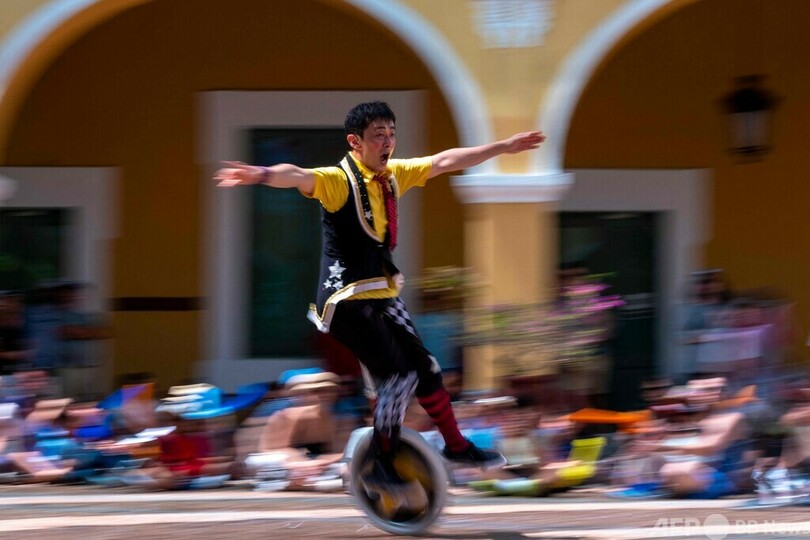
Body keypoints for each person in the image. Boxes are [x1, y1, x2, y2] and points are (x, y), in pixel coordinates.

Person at [214, 101, 546, 491]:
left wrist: (502, 147)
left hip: (382, 294)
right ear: (355, 142)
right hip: (345, 300)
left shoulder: (393, 175)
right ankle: (381, 462)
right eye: (378, 136)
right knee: (399, 375)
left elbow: (443, 161)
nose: (388, 142)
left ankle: (456, 445)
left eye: (391, 134)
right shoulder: (339, 181)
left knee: (428, 371)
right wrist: (262, 173)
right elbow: (299, 176)